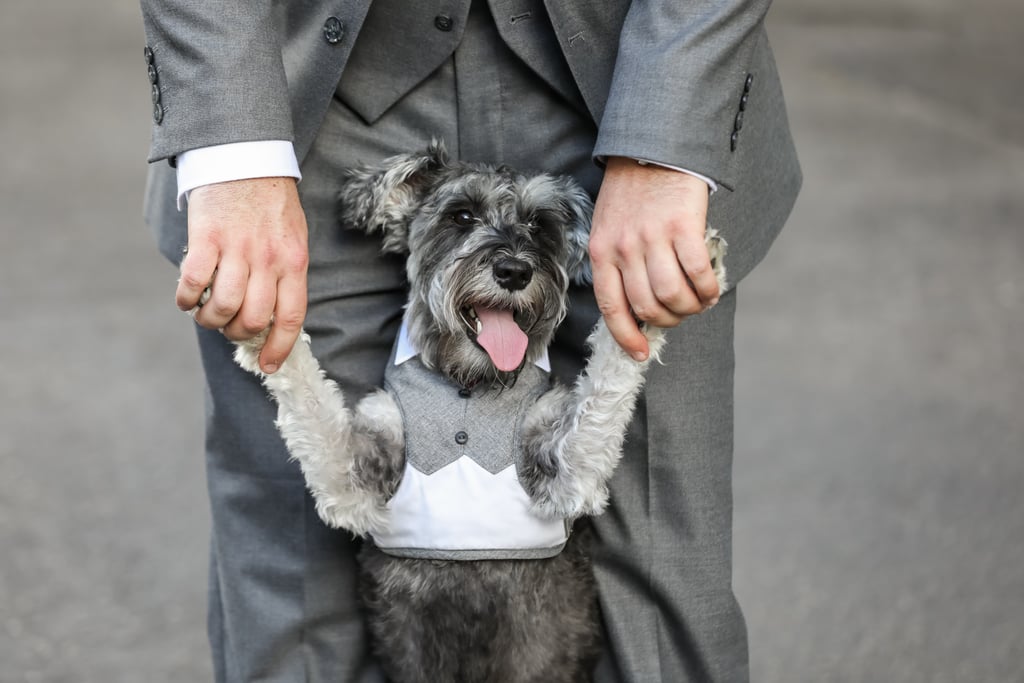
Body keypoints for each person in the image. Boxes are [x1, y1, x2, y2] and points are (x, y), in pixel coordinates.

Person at [139, 1, 801, 681]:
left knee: (663, 597)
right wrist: (233, 148)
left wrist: (669, 132)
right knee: (291, 592)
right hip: (306, 86)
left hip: (632, 68)